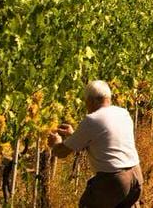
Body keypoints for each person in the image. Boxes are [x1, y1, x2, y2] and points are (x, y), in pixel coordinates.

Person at [48, 80, 143, 208]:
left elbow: (61, 152)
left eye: (86, 102)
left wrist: (56, 143)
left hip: (115, 181)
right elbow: (104, 140)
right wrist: (74, 135)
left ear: (91, 101)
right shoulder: (123, 113)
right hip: (136, 177)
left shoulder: (92, 120)